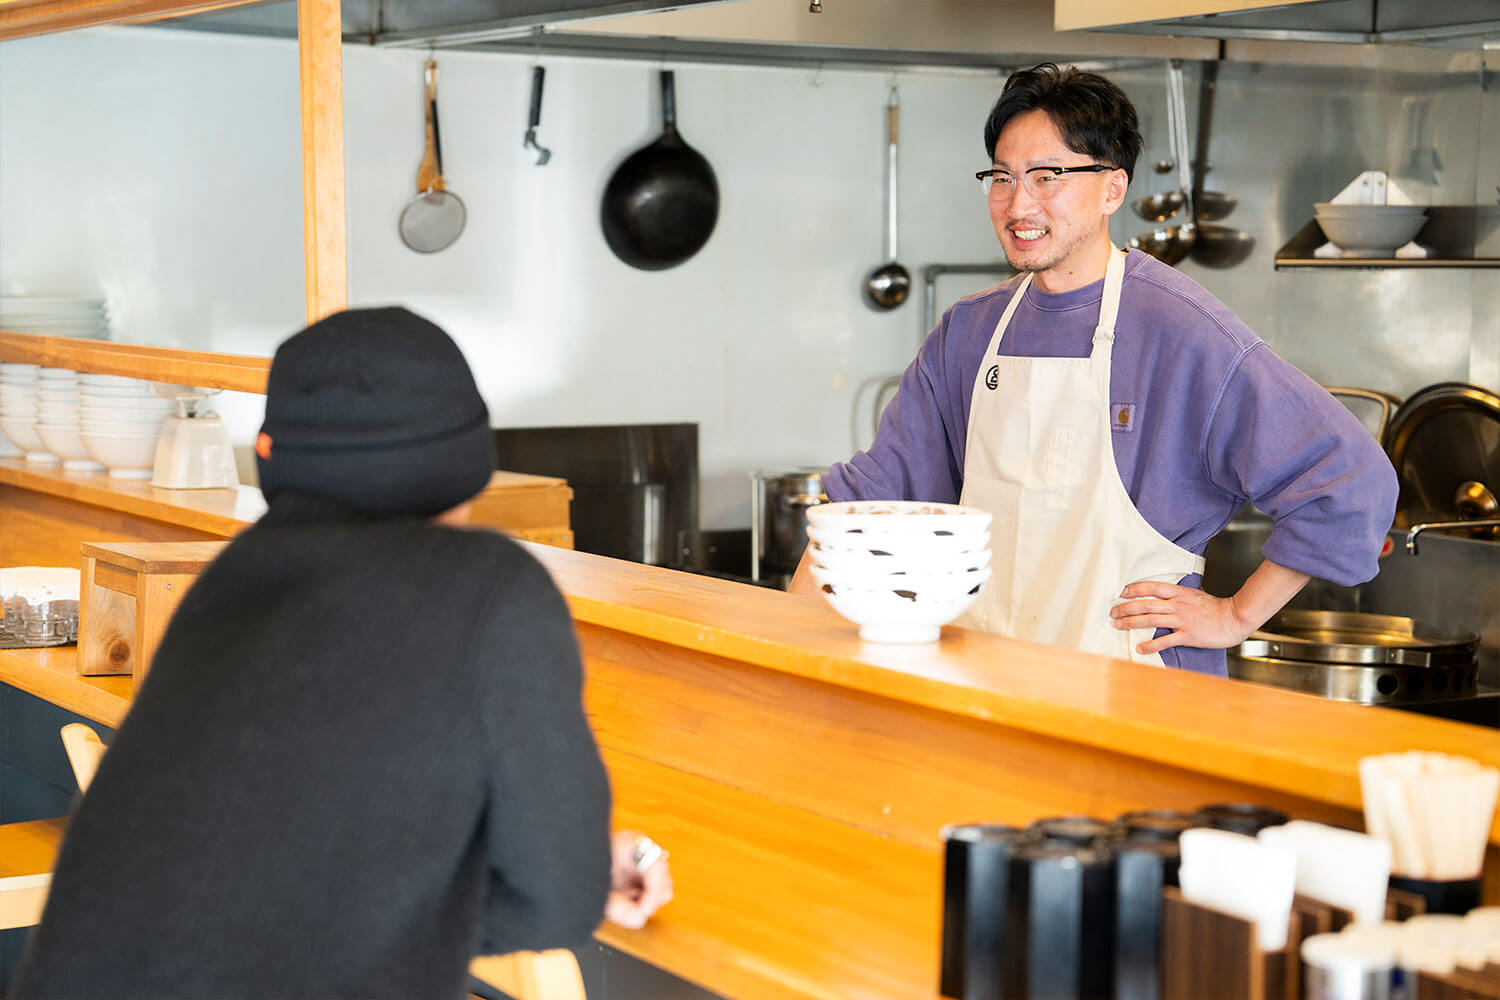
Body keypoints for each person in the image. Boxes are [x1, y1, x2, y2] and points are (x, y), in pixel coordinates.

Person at [11, 307, 671, 999]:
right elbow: (557, 900)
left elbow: (267, 872)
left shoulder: (230, 581)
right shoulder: (488, 591)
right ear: (466, 464)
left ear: (275, 457)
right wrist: (589, 869)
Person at [791, 63, 1397, 675]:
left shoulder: (1180, 330)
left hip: (1135, 695)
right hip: (983, 688)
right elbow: (867, 511)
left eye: (1046, 176)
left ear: (1113, 189)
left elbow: (1348, 481)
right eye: (1001, 177)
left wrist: (1236, 615)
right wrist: (782, 654)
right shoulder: (969, 332)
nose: (1017, 202)